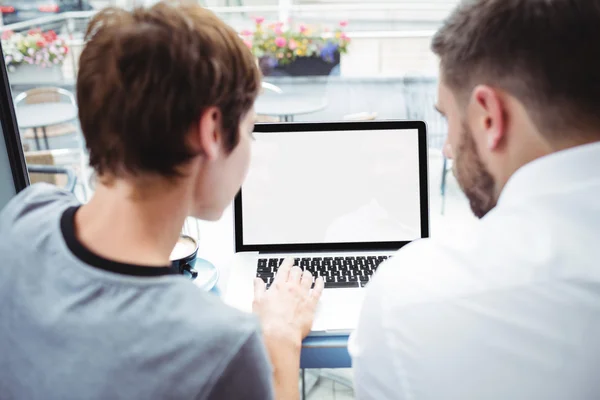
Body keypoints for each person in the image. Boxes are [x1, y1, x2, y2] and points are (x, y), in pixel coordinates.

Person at [0, 1, 323, 399]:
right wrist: (283, 338)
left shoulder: (25, 215)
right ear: (212, 131)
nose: (250, 149)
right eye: (251, 131)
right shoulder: (219, 345)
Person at [350, 0, 600, 399]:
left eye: (448, 119)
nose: (448, 148)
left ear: (489, 117)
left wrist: (281, 346)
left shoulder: (413, 296)